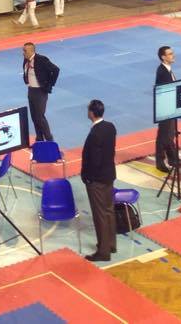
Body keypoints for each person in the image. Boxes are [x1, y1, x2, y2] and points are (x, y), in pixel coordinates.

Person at [80, 99, 117, 262]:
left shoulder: (95, 134)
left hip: (97, 180)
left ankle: (103, 251)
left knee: (100, 214)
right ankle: (110, 244)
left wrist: (87, 178)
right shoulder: (110, 127)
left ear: (91, 113)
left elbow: (94, 161)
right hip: (109, 175)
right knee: (108, 210)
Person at [23, 42, 60, 143]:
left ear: (31, 51)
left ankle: (50, 140)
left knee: (40, 117)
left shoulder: (41, 59)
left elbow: (56, 70)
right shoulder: (26, 60)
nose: (23, 53)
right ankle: (39, 139)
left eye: (25, 51)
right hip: (31, 90)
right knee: (34, 117)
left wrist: (50, 85)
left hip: (40, 92)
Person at [154, 46, 179, 172]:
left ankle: (173, 158)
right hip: (166, 108)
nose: (173, 55)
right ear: (163, 57)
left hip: (170, 107)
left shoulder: (167, 70)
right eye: (170, 54)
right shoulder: (163, 72)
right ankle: (160, 162)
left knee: (170, 134)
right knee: (163, 136)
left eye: (172, 53)